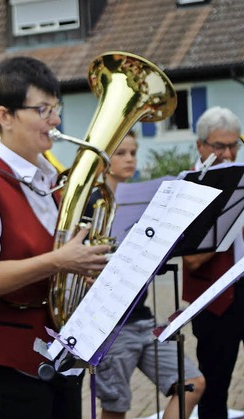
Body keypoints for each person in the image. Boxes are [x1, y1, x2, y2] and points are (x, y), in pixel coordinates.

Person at [0, 55, 111, 419]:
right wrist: (59, 261)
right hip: (2, 368)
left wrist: (82, 269)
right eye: (42, 110)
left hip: (54, 358)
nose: (55, 121)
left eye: (56, 109)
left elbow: (52, 267)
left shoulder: (51, 183)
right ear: (5, 116)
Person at [89, 131, 205, 419]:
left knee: (192, 382)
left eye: (133, 152)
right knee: (116, 407)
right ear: (104, 160)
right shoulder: (93, 204)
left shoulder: (141, 201)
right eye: (121, 153)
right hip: (110, 326)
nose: (130, 159)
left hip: (143, 317)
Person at [182, 106, 244, 419]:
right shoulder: (187, 187)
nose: (230, 153)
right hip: (213, 298)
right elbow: (192, 260)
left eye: (235, 145)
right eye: (220, 146)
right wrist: (231, 221)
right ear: (201, 146)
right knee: (215, 386)